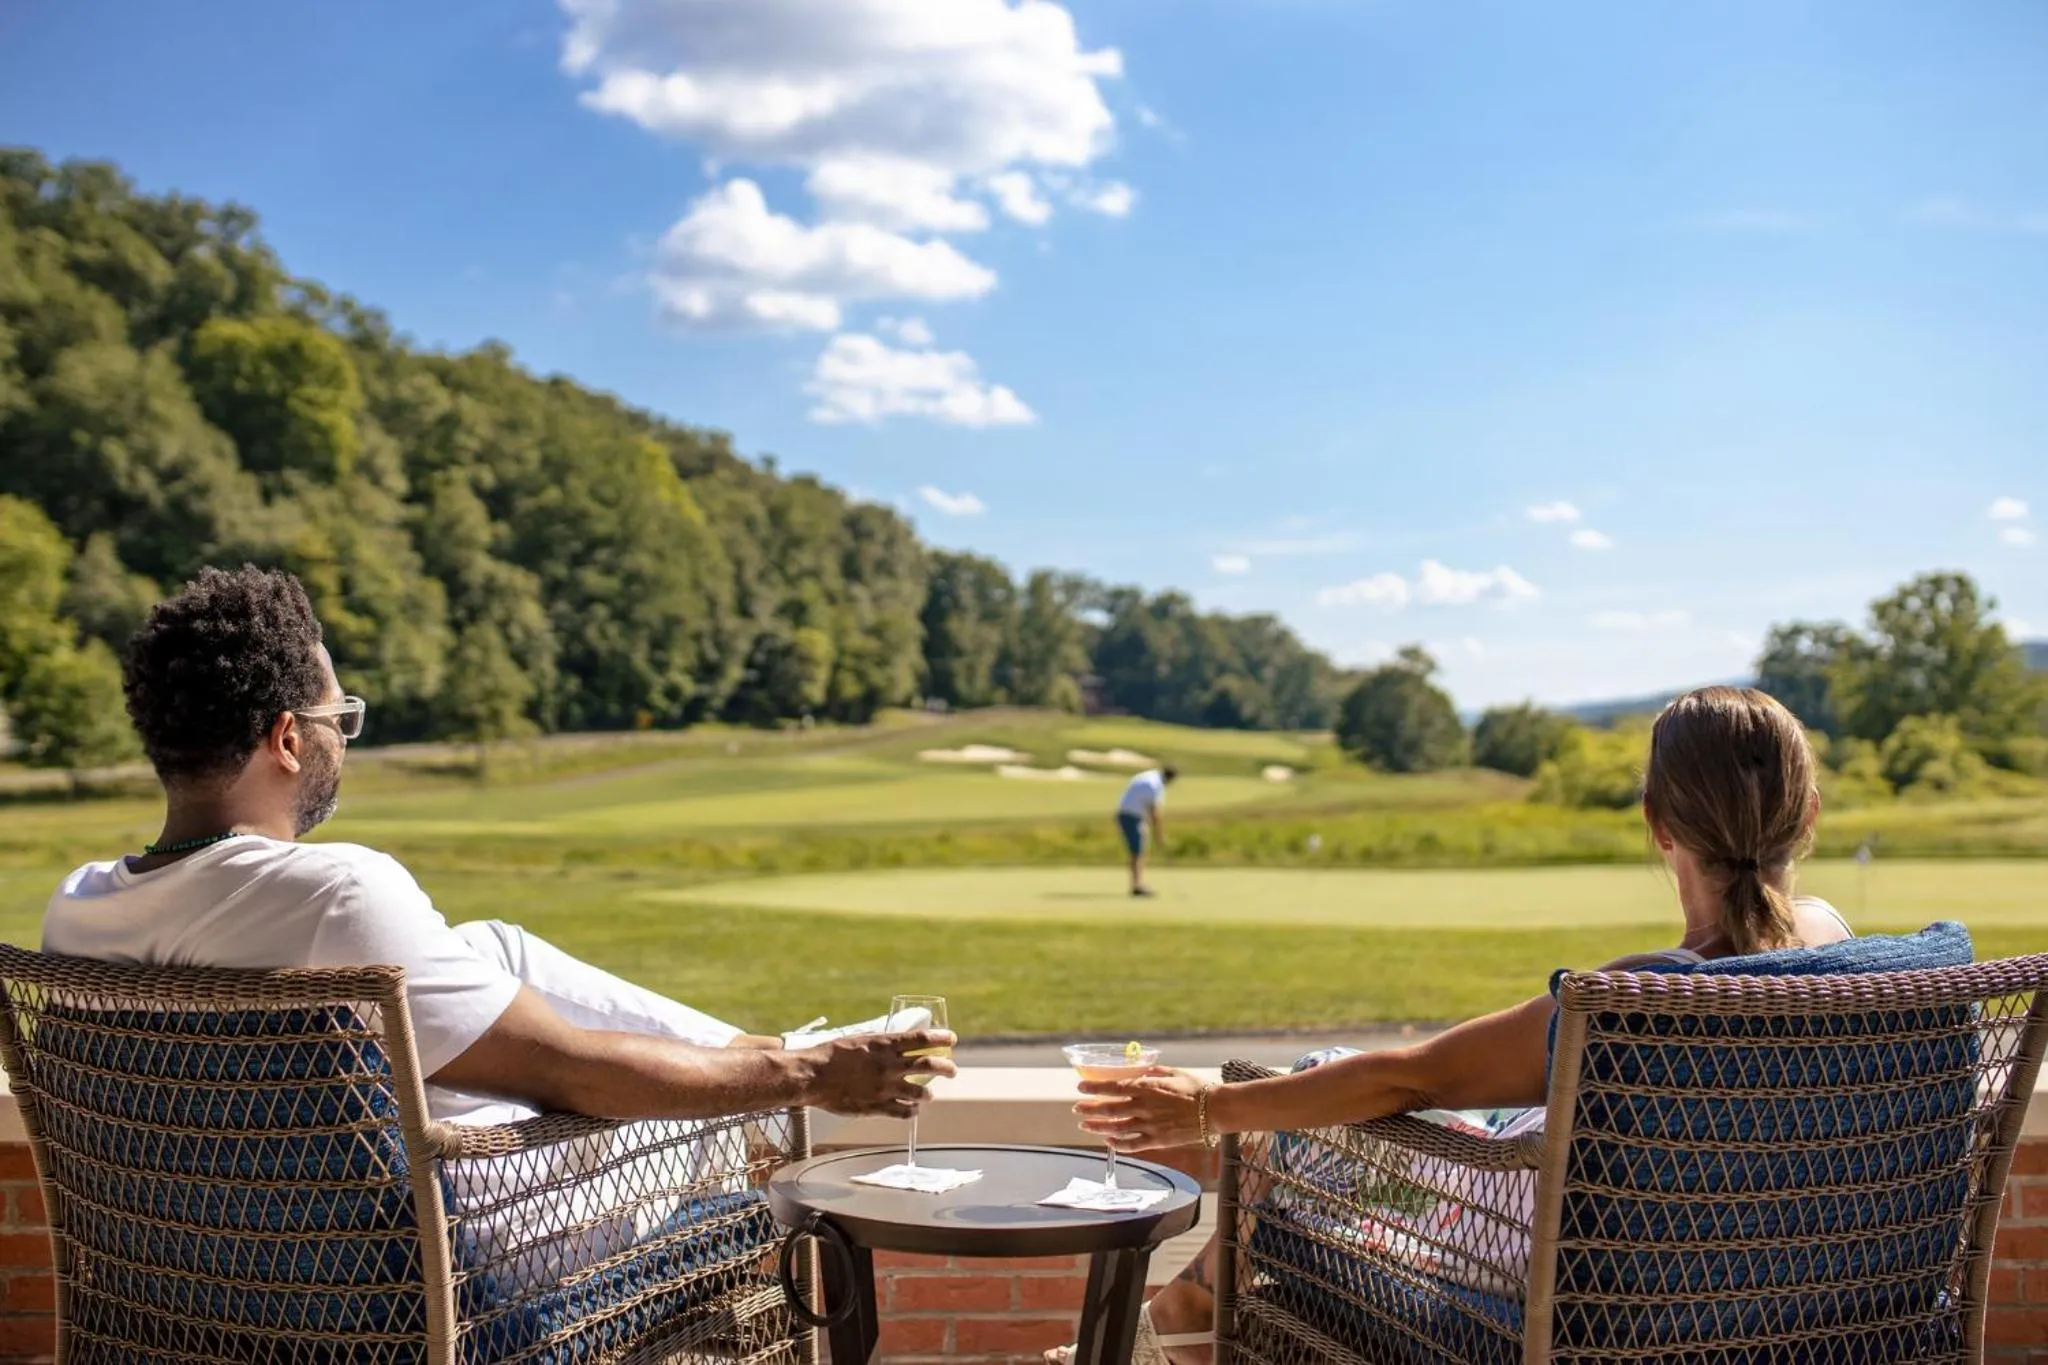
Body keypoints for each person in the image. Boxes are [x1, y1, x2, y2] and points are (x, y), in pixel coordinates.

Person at [1057, 687, 1853, 1364]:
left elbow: (1411, 1076)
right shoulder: (1851, 959)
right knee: (1334, 1090)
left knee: (1310, 1117)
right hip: (1785, 1291)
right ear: (1809, 813)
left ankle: (1170, 1327)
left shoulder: (1633, 1000)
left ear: (1658, 822)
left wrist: (1207, 1105)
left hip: (1554, 1265)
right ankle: (1174, 1321)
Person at [42, 566, 956, 1137]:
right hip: (427, 1284)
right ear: (286, 737)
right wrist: (805, 1080)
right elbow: (575, 1071)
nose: (341, 743)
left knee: (494, 945)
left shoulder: (75, 908)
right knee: (748, 1145)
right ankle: (801, 1057)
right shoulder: (337, 894)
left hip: (189, 1278)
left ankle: (769, 1045)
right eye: (337, 721)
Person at [1116, 764, 1177, 896]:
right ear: (1170, 778)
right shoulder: (1154, 785)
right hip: (1131, 816)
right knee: (1138, 851)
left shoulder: (1149, 776)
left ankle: (1138, 884)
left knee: (1139, 850)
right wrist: (1159, 836)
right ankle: (1137, 886)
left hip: (1130, 814)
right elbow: (1155, 813)